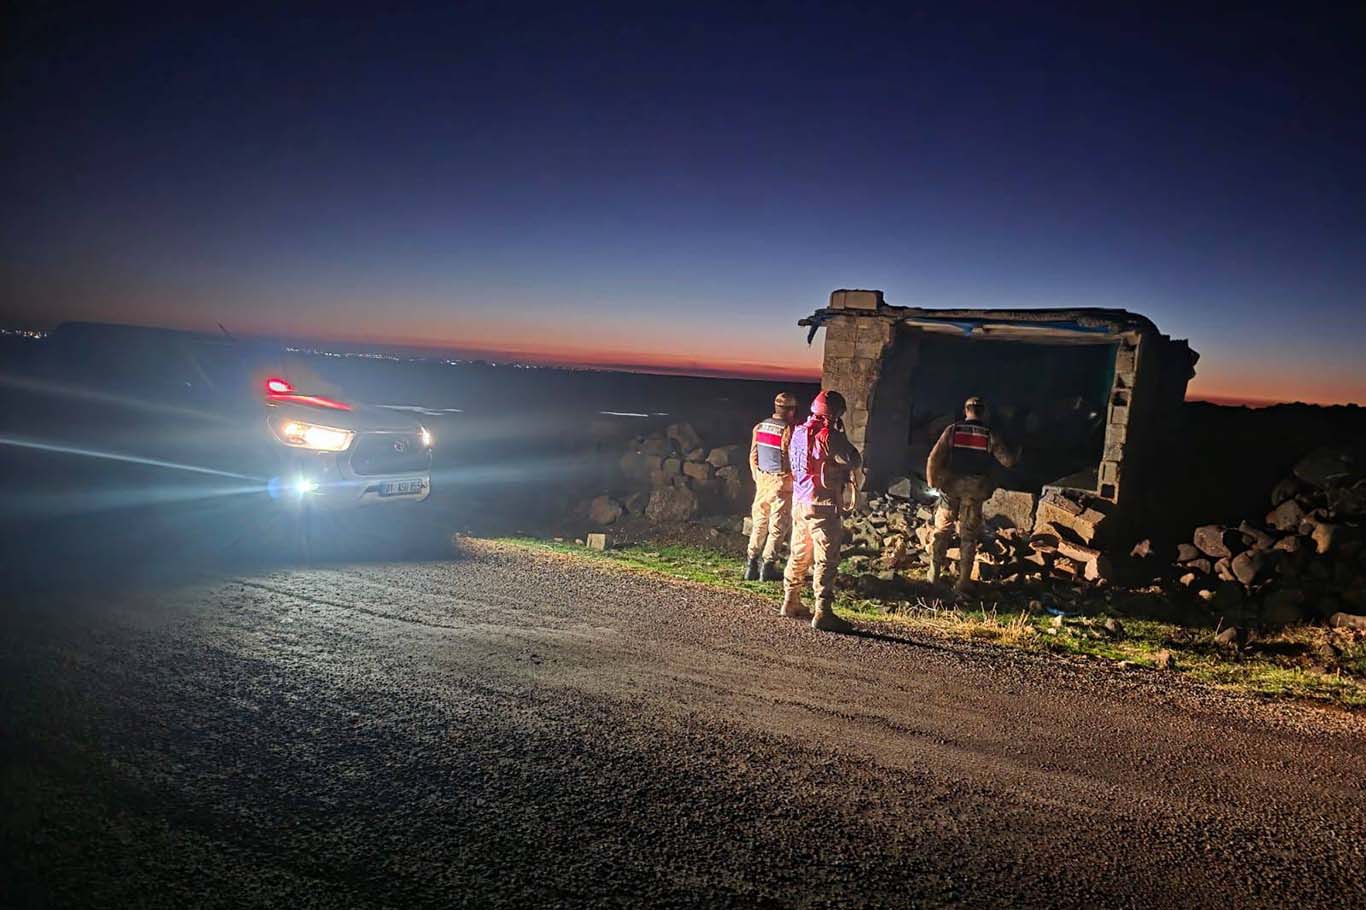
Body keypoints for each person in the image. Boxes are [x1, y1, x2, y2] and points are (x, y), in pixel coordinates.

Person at [782, 390, 862, 632]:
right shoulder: (831, 436)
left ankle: (790, 600)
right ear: (836, 413)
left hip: (799, 502)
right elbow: (854, 459)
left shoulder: (797, 432)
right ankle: (823, 611)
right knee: (826, 559)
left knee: (798, 553)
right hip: (823, 506)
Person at [925, 395, 1020, 592]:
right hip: (975, 490)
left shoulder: (953, 430)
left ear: (965, 410)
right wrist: (1018, 452)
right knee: (968, 536)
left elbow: (934, 457)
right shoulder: (989, 435)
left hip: (951, 487)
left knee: (942, 531)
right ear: (984, 413)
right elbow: (1007, 461)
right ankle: (962, 582)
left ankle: (933, 576)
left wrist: (933, 482)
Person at [745, 391, 799, 581]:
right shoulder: (790, 430)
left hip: (763, 481)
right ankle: (767, 567)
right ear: (791, 410)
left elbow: (753, 456)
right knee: (777, 526)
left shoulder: (759, 427)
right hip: (781, 483)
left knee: (759, 523)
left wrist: (758, 477)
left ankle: (751, 564)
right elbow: (791, 459)